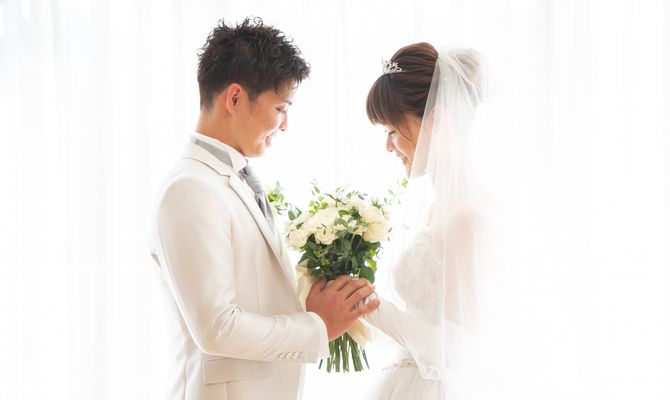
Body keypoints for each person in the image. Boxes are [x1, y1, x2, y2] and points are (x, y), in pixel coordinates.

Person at [148, 17, 379, 400]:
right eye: (280, 108)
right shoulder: (190, 189)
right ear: (235, 98)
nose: (284, 125)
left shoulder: (236, 179)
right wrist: (317, 325)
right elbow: (216, 327)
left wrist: (313, 301)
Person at [363, 42, 489, 399]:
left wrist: (370, 306)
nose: (388, 146)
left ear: (437, 121)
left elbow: (459, 349)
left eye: (392, 129)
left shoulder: (469, 217)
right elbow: (422, 325)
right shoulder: (438, 209)